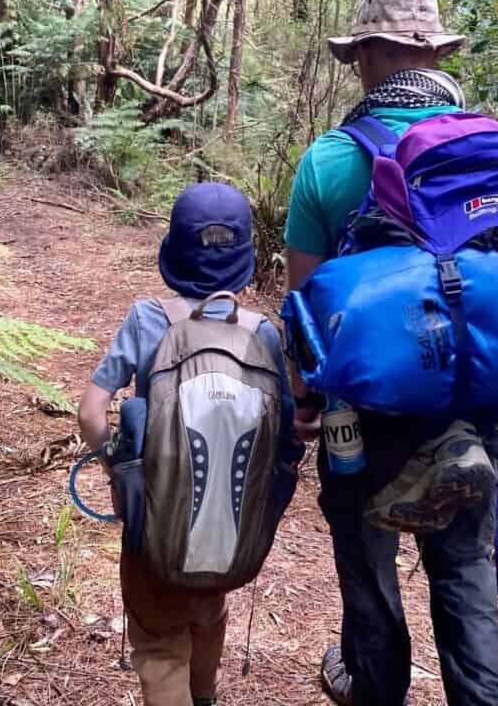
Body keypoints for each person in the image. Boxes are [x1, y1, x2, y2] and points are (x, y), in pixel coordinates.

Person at [285, 0, 498, 706]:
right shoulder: (496, 147)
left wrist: (301, 402)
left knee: (368, 568)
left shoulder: (330, 159)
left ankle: (374, 686)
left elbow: (303, 308)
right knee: (462, 569)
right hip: (472, 409)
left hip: (361, 417)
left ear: (365, 57)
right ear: (436, 56)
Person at [79, 182, 302, 706]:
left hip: (154, 528)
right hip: (228, 530)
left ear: (173, 250)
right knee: (207, 612)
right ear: (246, 258)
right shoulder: (263, 335)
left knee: (159, 642)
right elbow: (287, 436)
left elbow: (90, 412)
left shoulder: (147, 319)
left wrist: (120, 468)